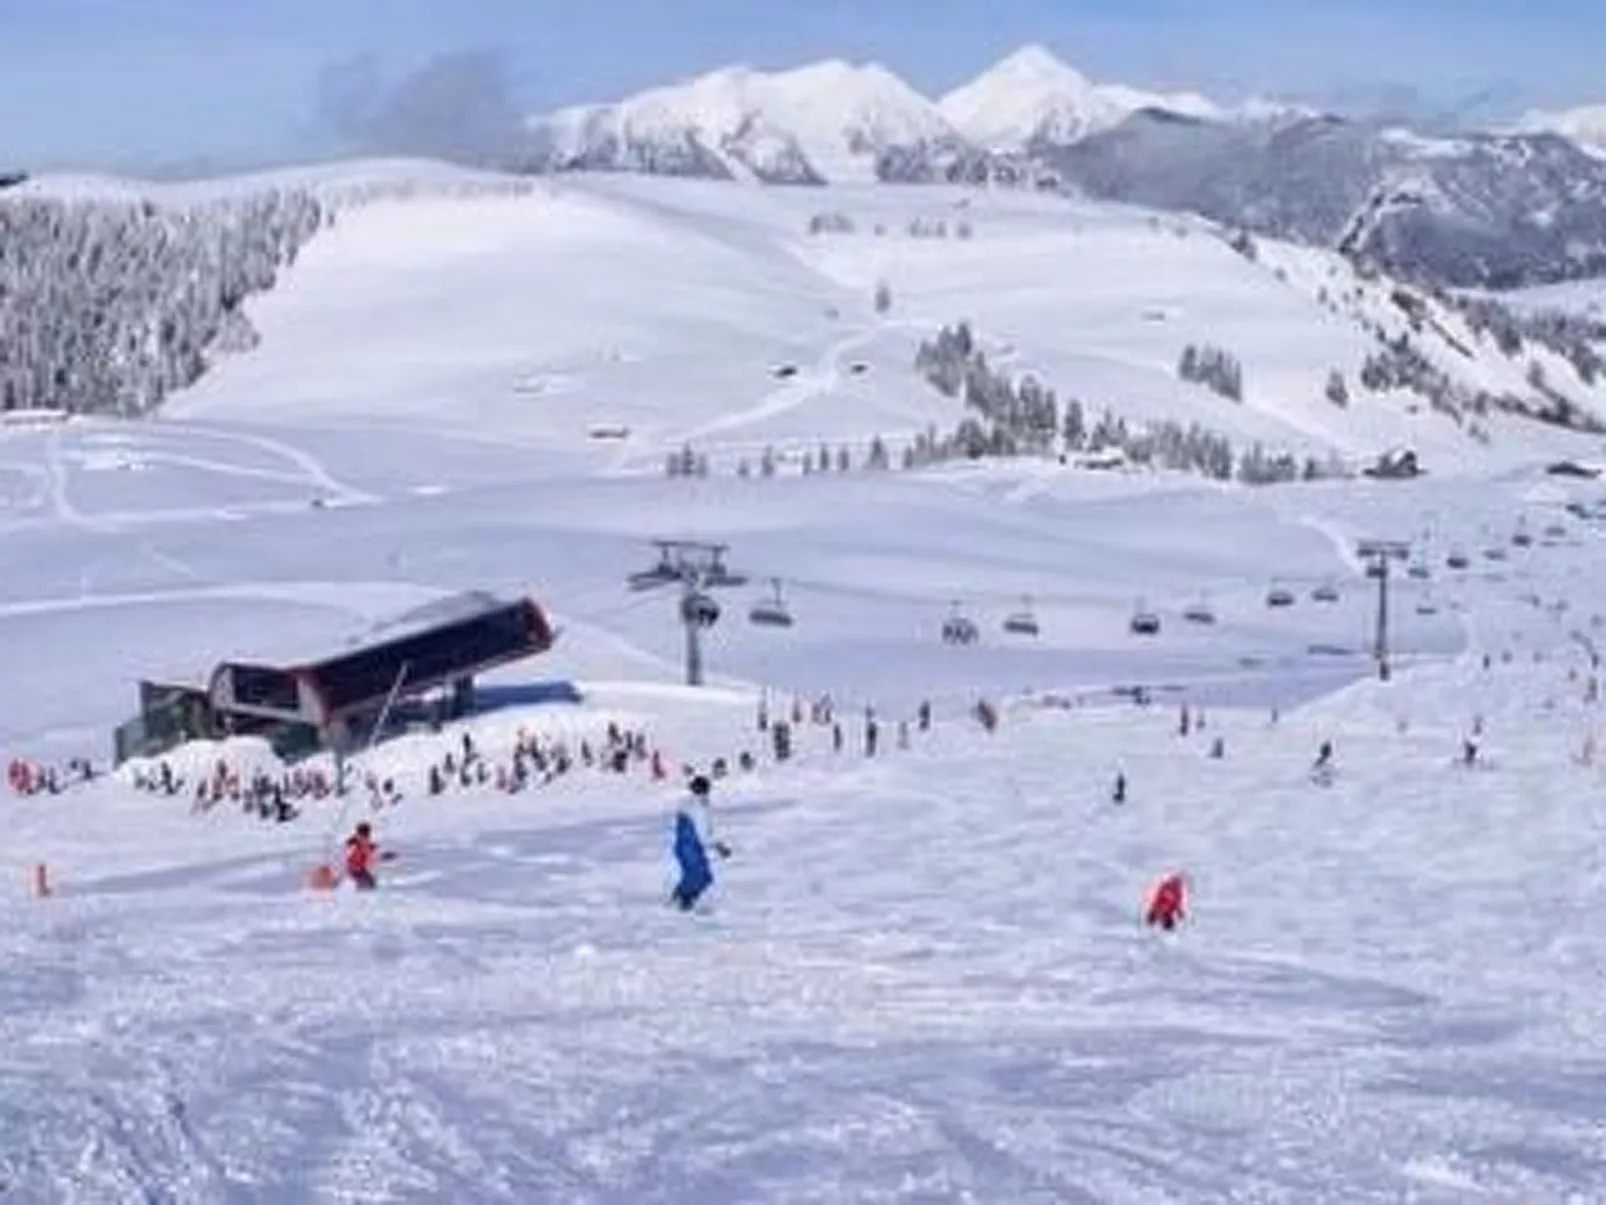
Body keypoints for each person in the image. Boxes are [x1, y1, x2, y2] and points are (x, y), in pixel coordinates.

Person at [343, 821, 386, 891]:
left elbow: (369, 852)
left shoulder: (363, 842)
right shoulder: (355, 843)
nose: (368, 835)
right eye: (366, 833)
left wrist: (373, 848)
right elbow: (351, 855)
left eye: (368, 833)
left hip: (360, 869)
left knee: (371, 883)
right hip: (355, 869)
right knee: (369, 884)